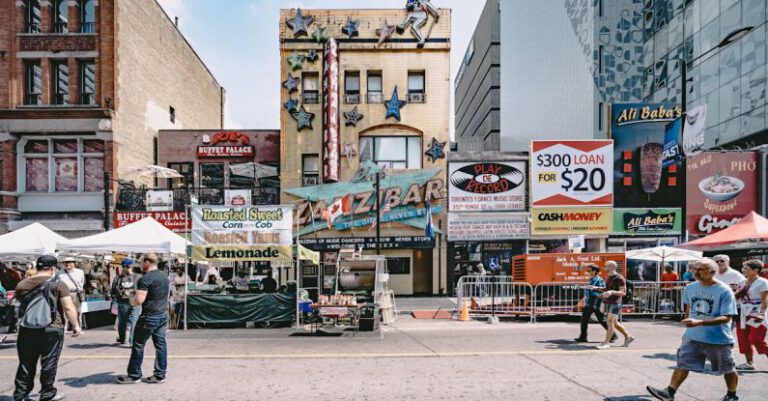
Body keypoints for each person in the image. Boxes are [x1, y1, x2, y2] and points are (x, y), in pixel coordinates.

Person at [647, 258, 739, 401]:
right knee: (682, 364)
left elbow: (727, 317)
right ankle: (669, 392)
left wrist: (699, 322)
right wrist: (689, 323)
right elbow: (689, 309)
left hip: (718, 338)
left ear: (712, 272)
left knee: (727, 368)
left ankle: (731, 395)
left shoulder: (724, 291)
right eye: (694, 269)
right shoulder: (690, 288)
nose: (695, 272)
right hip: (692, 336)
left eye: (700, 269)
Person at [14, 255, 81, 401]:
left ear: (37, 267)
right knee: (49, 362)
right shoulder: (58, 285)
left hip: (27, 328)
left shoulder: (22, 285)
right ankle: (47, 393)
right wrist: (76, 325)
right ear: (52, 268)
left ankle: (20, 394)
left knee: (26, 362)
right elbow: (68, 307)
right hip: (52, 328)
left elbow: (22, 306)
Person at [117, 254, 170, 384]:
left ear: (147, 262)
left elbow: (139, 300)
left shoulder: (145, 278)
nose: (139, 265)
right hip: (162, 314)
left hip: (149, 316)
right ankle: (160, 375)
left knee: (138, 344)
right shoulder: (164, 276)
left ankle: (134, 375)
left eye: (140, 262)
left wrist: (131, 301)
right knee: (160, 345)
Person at [734, 259, 768, 371]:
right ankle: (749, 363)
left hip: (757, 313)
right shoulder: (742, 282)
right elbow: (737, 298)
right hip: (743, 313)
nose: (743, 270)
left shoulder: (763, 282)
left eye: (746, 268)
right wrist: (742, 289)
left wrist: (762, 314)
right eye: (743, 268)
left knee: (755, 338)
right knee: (743, 339)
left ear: (755, 270)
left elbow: (765, 301)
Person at [596, 260, 635, 350]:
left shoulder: (619, 278)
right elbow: (607, 289)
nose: (604, 267)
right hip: (610, 302)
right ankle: (628, 337)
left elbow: (623, 292)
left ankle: (606, 343)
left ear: (611, 267)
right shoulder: (609, 277)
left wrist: (612, 292)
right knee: (615, 323)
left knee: (609, 322)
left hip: (616, 303)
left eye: (605, 266)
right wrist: (596, 288)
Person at [574, 265, 615, 343]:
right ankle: (613, 335)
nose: (588, 272)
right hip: (591, 302)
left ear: (595, 271)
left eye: (589, 271)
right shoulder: (593, 279)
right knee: (600, 319)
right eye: (588, 271)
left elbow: (602, 291)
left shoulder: (599, 280)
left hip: (594, 302)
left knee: (586, 319)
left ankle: (583, 337)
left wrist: (594, 296)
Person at [111, 259, 142, 346]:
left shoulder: (119, 277)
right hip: (129, 302)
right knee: (128, 321)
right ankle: (127, 340)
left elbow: (113, 290)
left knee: (128, 321)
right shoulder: (137, 277)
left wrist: (128, 292)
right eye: (129, 267)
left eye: (129, 267)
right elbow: (114, 289)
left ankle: (127, 340)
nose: (129, 268)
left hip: (129, 302)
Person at [57, 257, 85, 331]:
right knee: (64, 312)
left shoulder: (80, 272)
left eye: (69, 262)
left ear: (74, 263)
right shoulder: (59, 273)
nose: (67, 264)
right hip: (63, 294)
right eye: (65, 262)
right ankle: (64, 329)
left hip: (76, 293)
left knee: (78, 312)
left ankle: (77, 328)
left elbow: (82, 282)